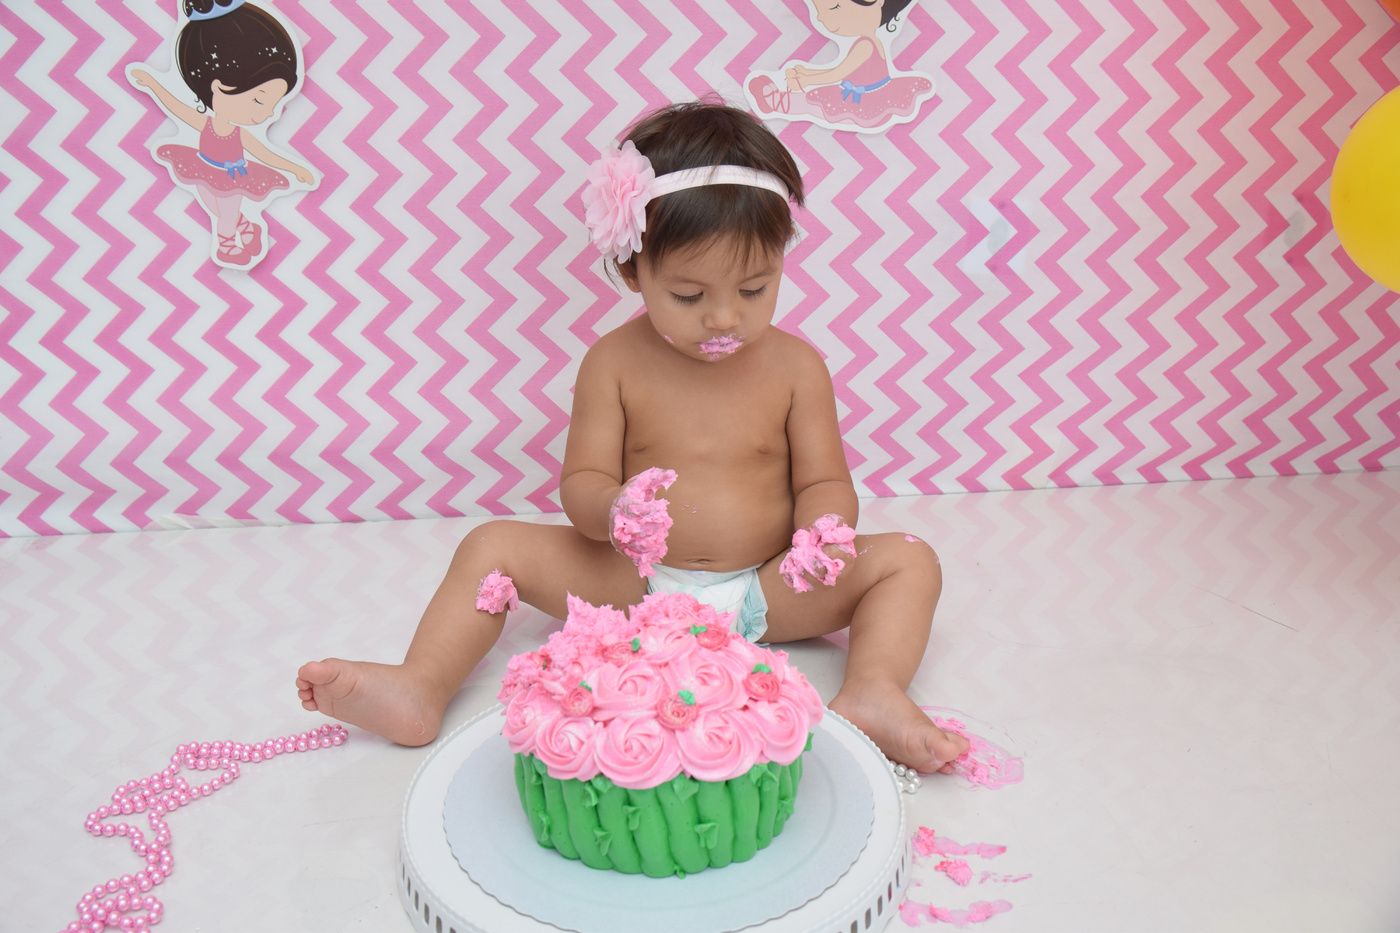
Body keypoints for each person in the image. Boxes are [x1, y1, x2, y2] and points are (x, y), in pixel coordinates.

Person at [296, 99, 968, 774]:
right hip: (633, 586)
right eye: (688, 296)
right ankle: (420, 684)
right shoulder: (613, 364)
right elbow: (582, 482)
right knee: (490, 545)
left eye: (755, 289)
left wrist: (824, 530)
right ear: (632, 271)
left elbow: (823, 478)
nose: (724, 317)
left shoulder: (797, 367)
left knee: (910, 561)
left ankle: (874, 688)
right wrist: (613, 510)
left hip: (767, 589)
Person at [129, 0, 314, 266]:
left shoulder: (240, 134)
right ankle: (248, 228)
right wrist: (152, 85)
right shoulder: (206, 123)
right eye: (259, 101)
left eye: (273, 105)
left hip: (233, 177)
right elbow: (177, 108)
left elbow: (264, 153)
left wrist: (295, 169)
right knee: (214, 207)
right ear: (219, 87)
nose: (268, 114)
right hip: (204, 168)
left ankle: (227, 245)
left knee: (225, 214)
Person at [747, 0, 933, 130]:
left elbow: (838, 74)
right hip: (860, 94)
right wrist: (809, 73)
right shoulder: (867, 41)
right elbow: (841, 70)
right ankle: (779, 100)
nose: (821, 18)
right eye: (820, 12)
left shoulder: (865, 45)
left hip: (862, 102)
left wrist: (808, 81)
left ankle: (778, 103)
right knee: (818, 101)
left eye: (834, 7)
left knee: (814, 103)